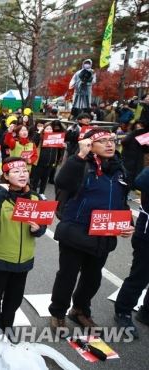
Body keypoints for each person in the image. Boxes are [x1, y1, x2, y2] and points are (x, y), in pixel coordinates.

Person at [49, 129, 134, 335]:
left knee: (93, 278)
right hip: (75, 232)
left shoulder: (119, 169)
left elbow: (121, 201)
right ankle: (58, 314)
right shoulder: (82, 165)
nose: (109, 144)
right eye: (102, 141)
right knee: (67, 277)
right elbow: (62, 182)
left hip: (103, 235)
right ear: (90, 145)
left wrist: (126, 222)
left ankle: (79, 310)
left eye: (112, 140)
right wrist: (79, 155)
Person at [0, 157, 46, 335]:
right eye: (16, 171)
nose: (22, 174)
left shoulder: (34, 197)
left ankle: (7, 326)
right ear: (6, 176)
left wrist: (38, 229)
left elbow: (43, 225)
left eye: (24, 170)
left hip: (24, 258)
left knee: (15, 298)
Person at [113, 167, 149, 338]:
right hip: (146, 235)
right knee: (139, 277)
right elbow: (140, 182)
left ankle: (146, 312)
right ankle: (123, 312)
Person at [30, 121, 65, 195]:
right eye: (47, 129)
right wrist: (39, 132)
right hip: (38, 163)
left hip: (49, 164)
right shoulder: (40, 138)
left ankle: (41, 193)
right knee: (35, 181)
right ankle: (33, 194)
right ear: (44, 130)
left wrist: (63, 145)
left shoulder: (55, 138)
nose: (49, 130)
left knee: (44, 180)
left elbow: (59, 151)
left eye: (50, 129)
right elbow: (33, 142)